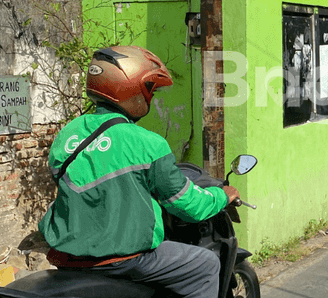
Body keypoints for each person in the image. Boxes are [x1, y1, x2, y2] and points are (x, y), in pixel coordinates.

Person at [39, 45, 240, 298]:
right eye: (149, 91)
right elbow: (187, 205)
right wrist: (223, 195)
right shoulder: (148, 144)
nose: (150, 98)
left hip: (68, 255)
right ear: (131, 89)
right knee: (205, 263)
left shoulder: (68, 134)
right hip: (124, 260)